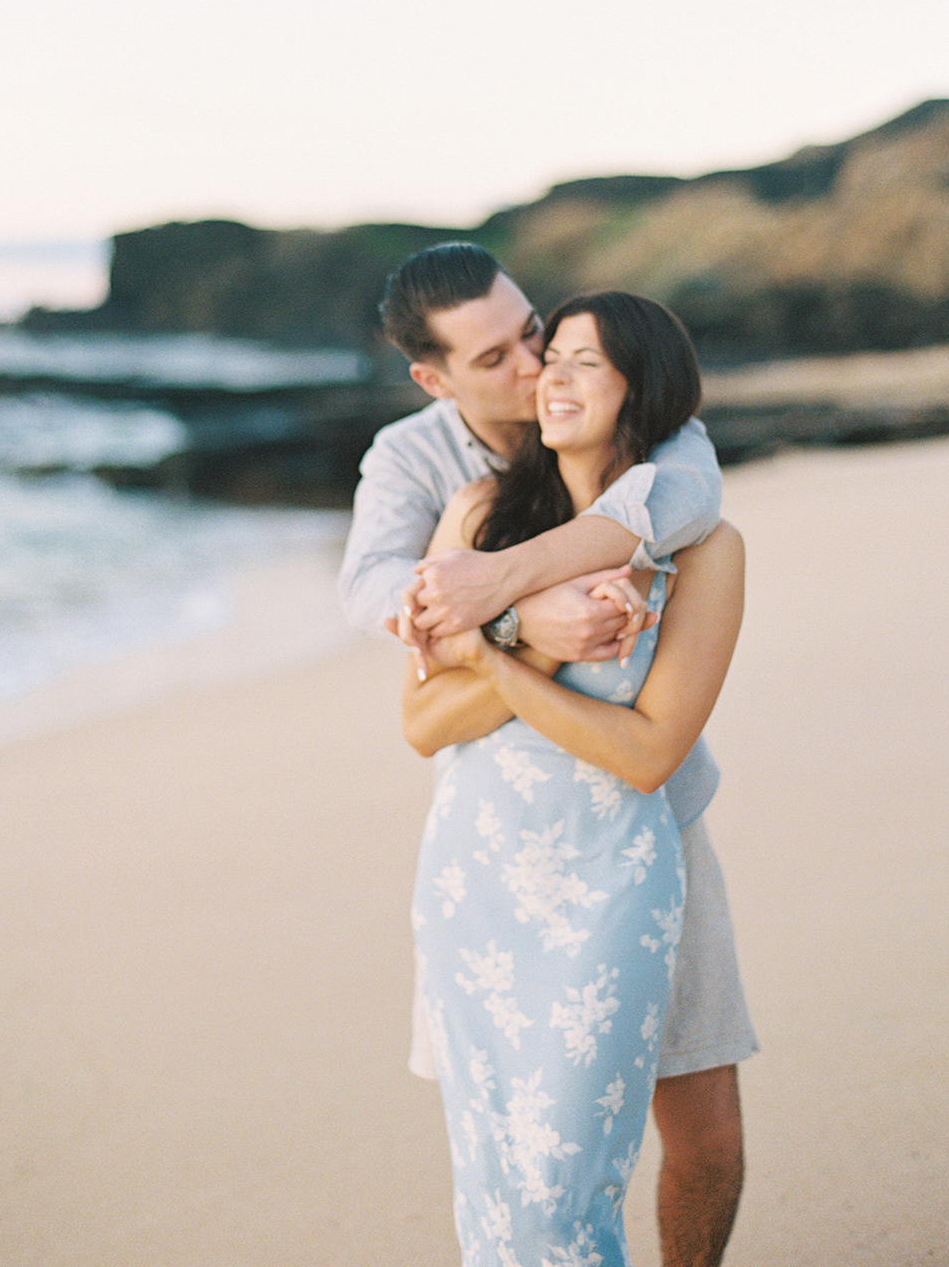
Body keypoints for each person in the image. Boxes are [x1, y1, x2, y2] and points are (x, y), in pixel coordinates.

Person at [338, 244, 757, 1267]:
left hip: (642, 850)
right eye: (507, 357)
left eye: (544, 337)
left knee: (698, 1140)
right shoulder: (432, 475)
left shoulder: (675, 468)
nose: (537, 370)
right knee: (514, 1178)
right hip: (491, 859)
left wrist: (495, 593)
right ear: (436, 380)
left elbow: (678, 510)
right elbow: (386, 609)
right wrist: (524, 623)